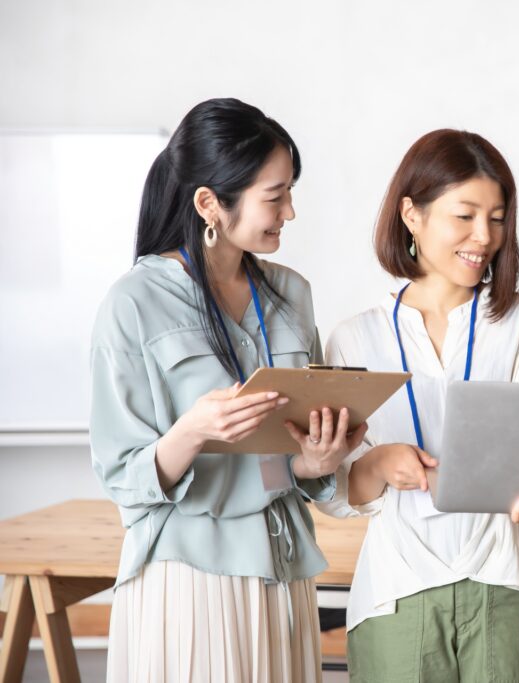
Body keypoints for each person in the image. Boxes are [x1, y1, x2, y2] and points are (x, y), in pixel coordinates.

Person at [90, 98, 363, 682]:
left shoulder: (291, 294)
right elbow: (123, 478)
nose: (289, 211)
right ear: (209, 203)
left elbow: (299, 455)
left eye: (290, 192)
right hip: (190, 575)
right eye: (275, 196)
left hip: (283, 569)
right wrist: (192, 431)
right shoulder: (133, 304)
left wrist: (315, 461)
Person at [317, 129, 519, 683]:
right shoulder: (354, 339)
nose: (484, 236)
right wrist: (378, 464)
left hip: (513, 579)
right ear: (411, 214)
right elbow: (334, 492)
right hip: (398, 591)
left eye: (496, 218)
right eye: (464, 216)